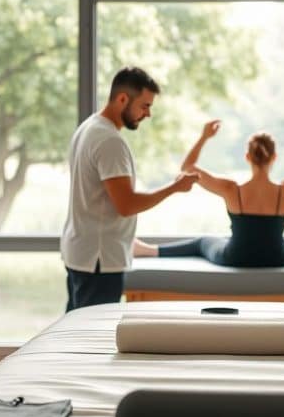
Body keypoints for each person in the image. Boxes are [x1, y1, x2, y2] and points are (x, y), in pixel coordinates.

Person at [61, 67, 199, 311]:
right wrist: (175, 188)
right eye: (144, 106)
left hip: (81, 253)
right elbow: (126, 205)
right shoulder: (110, 141)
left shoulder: (87, 128)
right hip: (99, 261)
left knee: (75, 332)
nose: (147, 114)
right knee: (93, 337)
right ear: (123, 99)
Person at [133, 120, 284, 267]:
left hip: (236, 257)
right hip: (277, 258)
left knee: (203, 241)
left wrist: (204, 137)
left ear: (247, 157)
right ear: (274, 158)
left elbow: (187, 168)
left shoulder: (232, 190)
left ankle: (149, 250)